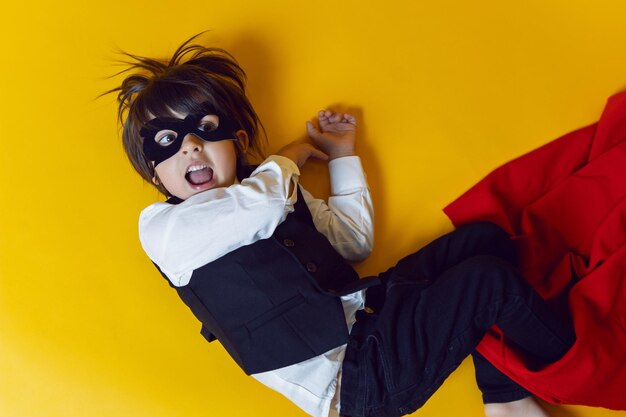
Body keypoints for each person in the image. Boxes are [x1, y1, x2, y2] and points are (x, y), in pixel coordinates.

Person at [108, 33, 575, 417]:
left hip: (374, 314)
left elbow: (353, 244)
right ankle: (584, 365)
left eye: (205, 129)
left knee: (484, 239)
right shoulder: (165, 228)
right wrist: (290, 154)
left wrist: (342, 156)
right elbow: (258, 208)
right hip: (354, 381)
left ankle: (508, 400)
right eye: (167, 141)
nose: (190, 145)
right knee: (488, 283)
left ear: (239, 141)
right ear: (154, 173)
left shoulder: (273, 188)